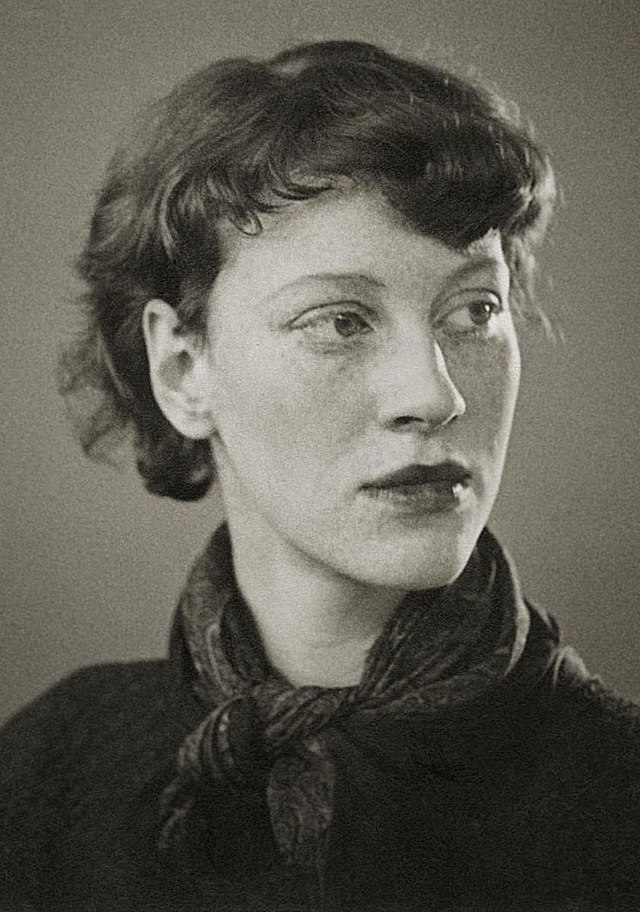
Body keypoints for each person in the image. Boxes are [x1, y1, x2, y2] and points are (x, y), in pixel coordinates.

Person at [1, 39, 638, 912]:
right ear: (184, 370)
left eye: (474, 310)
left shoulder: (617, 795)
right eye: (341, 321)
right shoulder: (49, 775)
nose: (435, 395)